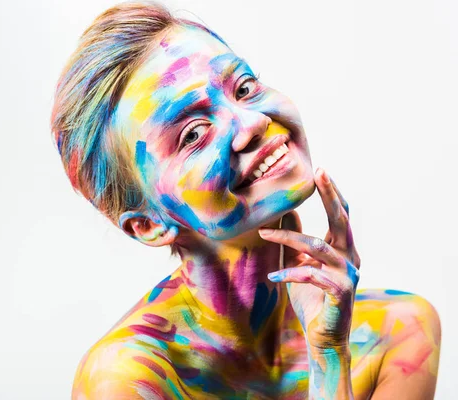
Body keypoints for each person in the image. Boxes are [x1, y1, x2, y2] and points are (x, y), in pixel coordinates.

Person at [50, 2, 441, 399]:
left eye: (244, 87)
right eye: (193, 134)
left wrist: (328, 353)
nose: (252, 121)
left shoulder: (398, 332)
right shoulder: (127, 379)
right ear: (149, 224)